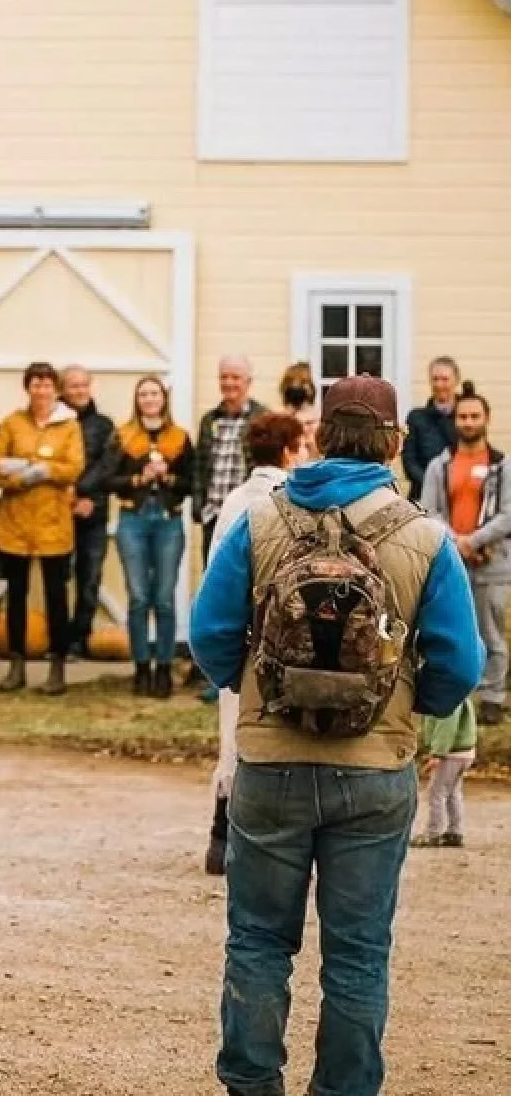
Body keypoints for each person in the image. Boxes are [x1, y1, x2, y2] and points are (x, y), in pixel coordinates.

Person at [190, 375, 483, 1096]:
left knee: (259, 941)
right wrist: (408, 709)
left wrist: (253, 689)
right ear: (394, 443)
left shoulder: (261, 520)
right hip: (376, 769)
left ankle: (253, 1085)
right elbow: (459, 665)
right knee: (357, 953)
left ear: (318, 435)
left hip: (270, 763)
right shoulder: (424, 535)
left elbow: (209, 635)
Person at [203, 408, 306, 875]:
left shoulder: (233, 500)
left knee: (233, 732)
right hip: (278, 633)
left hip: (237, 630)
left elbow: (214, 572)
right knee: (275, 734)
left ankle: (220, 834)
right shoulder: (289, 502)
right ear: (288, 451)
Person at [0, 361, 85, 696]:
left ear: (55, 389)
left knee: (56, 598)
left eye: (47, 384)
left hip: (53, 525)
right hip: (14, 523)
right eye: (35, 384)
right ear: (27, 387)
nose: (41, 390)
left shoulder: (69, 426)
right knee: (15, 596)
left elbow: (73, 468)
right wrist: (27, 474)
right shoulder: (12, 423)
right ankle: (16, 664)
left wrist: (37, 469)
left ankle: (56, 665)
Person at [420, 383, 510, 725]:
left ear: (487, 419)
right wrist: (458, 541)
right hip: (453, 561)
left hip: (494, 562)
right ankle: (460, 698)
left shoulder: (504, 466)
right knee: (455, 628)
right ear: (455, 420)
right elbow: (429, 511)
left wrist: (475, 540)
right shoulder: (439, 466)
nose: (469, 422)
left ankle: (493, 697)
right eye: (463, 416)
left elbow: (508, 513)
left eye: (475, 416)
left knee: (492, 632)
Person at [106, 376, 195, 699]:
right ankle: (141, 667)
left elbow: (190, 482)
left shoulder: (179, 438)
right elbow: (109, 480)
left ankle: (163, 668)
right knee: (139, 597)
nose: (149, 398)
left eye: (154, 393)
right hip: (133, 519)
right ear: (137, 399)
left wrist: (168, 477)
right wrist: (137, 477)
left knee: (164, 599)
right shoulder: (124, 436)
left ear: (163, 398)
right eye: (143, 394)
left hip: (168, 521)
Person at [60, 365, 116, 659]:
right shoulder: (54, 423)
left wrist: (82, 495)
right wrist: (68, 497)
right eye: (73, 386)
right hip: (58, 513)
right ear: (62, 390)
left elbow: (106, 467)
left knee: (89, 579)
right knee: (58, 579)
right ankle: (58, 641)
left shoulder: (104, 426)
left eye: (84, 385)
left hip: (93, 512)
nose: (80, 391)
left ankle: (79, 641)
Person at [194, 356, 268, 563]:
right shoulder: (209, 419)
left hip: (248, 515)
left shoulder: (262, 418)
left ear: (248, 382)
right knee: (212, 578)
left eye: (235, 377)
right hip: (213, 516)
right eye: (224, 377)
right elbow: (199, 465)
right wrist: (198, 506)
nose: (228, 383)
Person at [411, 694, 476, 849]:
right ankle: (455, 831)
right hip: (464, 752)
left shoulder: (447, 699)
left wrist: (438, 753)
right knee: (453, 792)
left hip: (451, 753)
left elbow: (446, 726)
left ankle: (433, 834)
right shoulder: (459, 693)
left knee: (436, 792)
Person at [402, 355, 461, 503]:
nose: (439, 384)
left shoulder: (467, 417)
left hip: (461, 496)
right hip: (423, 497)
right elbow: (410, 462)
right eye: (435, 379)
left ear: (456, 380)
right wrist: (434, 487)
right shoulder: (416, 417)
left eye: (445, 379)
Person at [278, 361, 319, 460]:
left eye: (303, 382)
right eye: (292, 383)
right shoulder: (280, 419)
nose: (297, 388)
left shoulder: (318, 417)